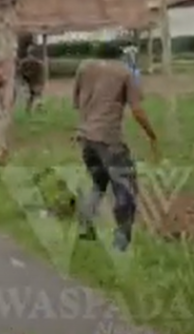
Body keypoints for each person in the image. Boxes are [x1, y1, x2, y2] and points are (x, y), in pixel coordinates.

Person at [73, 43, 157, 252]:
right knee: (125, 188)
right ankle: (121, 241)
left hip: (86, 137)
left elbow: (76, 102)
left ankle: (85, 226)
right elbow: (137, 110)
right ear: (120, 56)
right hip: (109, 139)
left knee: (99, 183)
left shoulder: (84, 68)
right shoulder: (124, 72)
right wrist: (152, 135)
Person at [19, 46, 45, 112]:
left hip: (28, 80)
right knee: (37, 94)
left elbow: (20, 71)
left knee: (31, 95)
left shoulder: (24, 62)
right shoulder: (39, 63)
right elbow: (41, 72)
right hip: (35, 80)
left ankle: (30, 108)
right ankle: (37, 108)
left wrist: (24, 77)